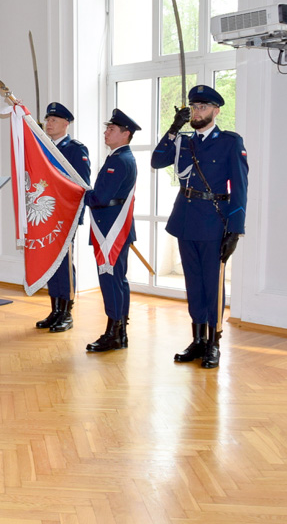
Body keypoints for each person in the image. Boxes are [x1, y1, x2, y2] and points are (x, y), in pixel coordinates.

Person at [151, 85, 248, 369]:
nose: (197, 112)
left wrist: (235, 230)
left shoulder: (230, 142)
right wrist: (173, 128)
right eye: (194, 108)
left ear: (216, 111)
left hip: (213, 221)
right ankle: (197, 340)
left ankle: (214, 343)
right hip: (185, 219)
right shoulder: (182, 140)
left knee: (212, 284)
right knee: (193, 283)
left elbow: (240, 188)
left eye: (203, 107)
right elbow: (157, 161)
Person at [84, 109, 139, 352]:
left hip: (111, 230)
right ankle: (121, 332)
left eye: (112, 129)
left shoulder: (119, 160)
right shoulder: (120, 157)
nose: (106, 132)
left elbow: (101, 197)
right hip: (114, 227)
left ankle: (113, 334)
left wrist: (78, 193)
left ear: (125, 134)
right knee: (118, 281)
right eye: (107, 128)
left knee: (110, 281)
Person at [36, 102, 91, 333]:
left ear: (66, 123)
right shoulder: (42, 148)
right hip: (46, 214)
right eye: (48, 120)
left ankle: (66, 311)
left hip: (66, 215)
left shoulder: (75, 149)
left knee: (64, 264)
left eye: (54, 120)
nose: (49, 123)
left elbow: (83, 185)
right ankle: (55, 309)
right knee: (52, 262)